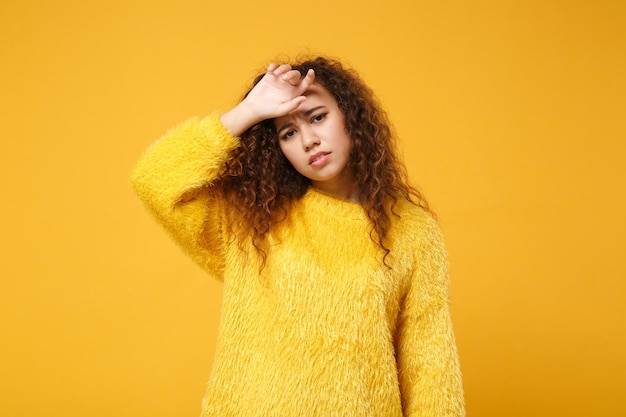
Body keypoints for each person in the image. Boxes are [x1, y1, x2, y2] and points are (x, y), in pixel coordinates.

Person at [131, 56, 465, 417]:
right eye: (288, 132)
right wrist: (248, 112)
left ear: (350, 117)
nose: (308, 140)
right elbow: (153, 180)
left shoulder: (412, 230)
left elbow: (430, 366)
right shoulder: (253, 219)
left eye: (317, 117)